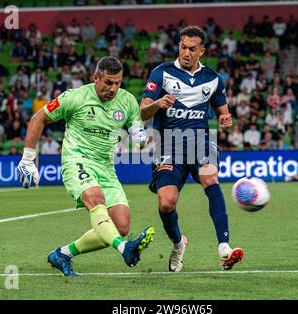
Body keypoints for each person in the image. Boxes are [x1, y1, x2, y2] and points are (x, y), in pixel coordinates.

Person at [16, 56, 154, 277]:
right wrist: (27, 159)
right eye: (108, 82)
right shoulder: (75, 97)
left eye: (118, 83)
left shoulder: (127, 101)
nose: (113, 88)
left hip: (106, 168)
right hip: (77, 160)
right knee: (95, 199)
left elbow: (137, 129)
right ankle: (124, 248)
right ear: (95, 78)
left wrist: (140, 136)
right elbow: (38, 118)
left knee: (120, 226)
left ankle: (63, 254)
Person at [139, 26, 244, 272]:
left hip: (200, 143)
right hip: (168, 145)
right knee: (166, 203)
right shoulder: (161, 73)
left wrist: (226, 119)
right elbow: (141, 111)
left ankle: (224, 249)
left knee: (210, 177)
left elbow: (224, 112)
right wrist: (157, 103)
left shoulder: (213, 78)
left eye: (192, 49)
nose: (186, 53)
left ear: (202, 51)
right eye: (183, 47)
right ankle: (178, 244)